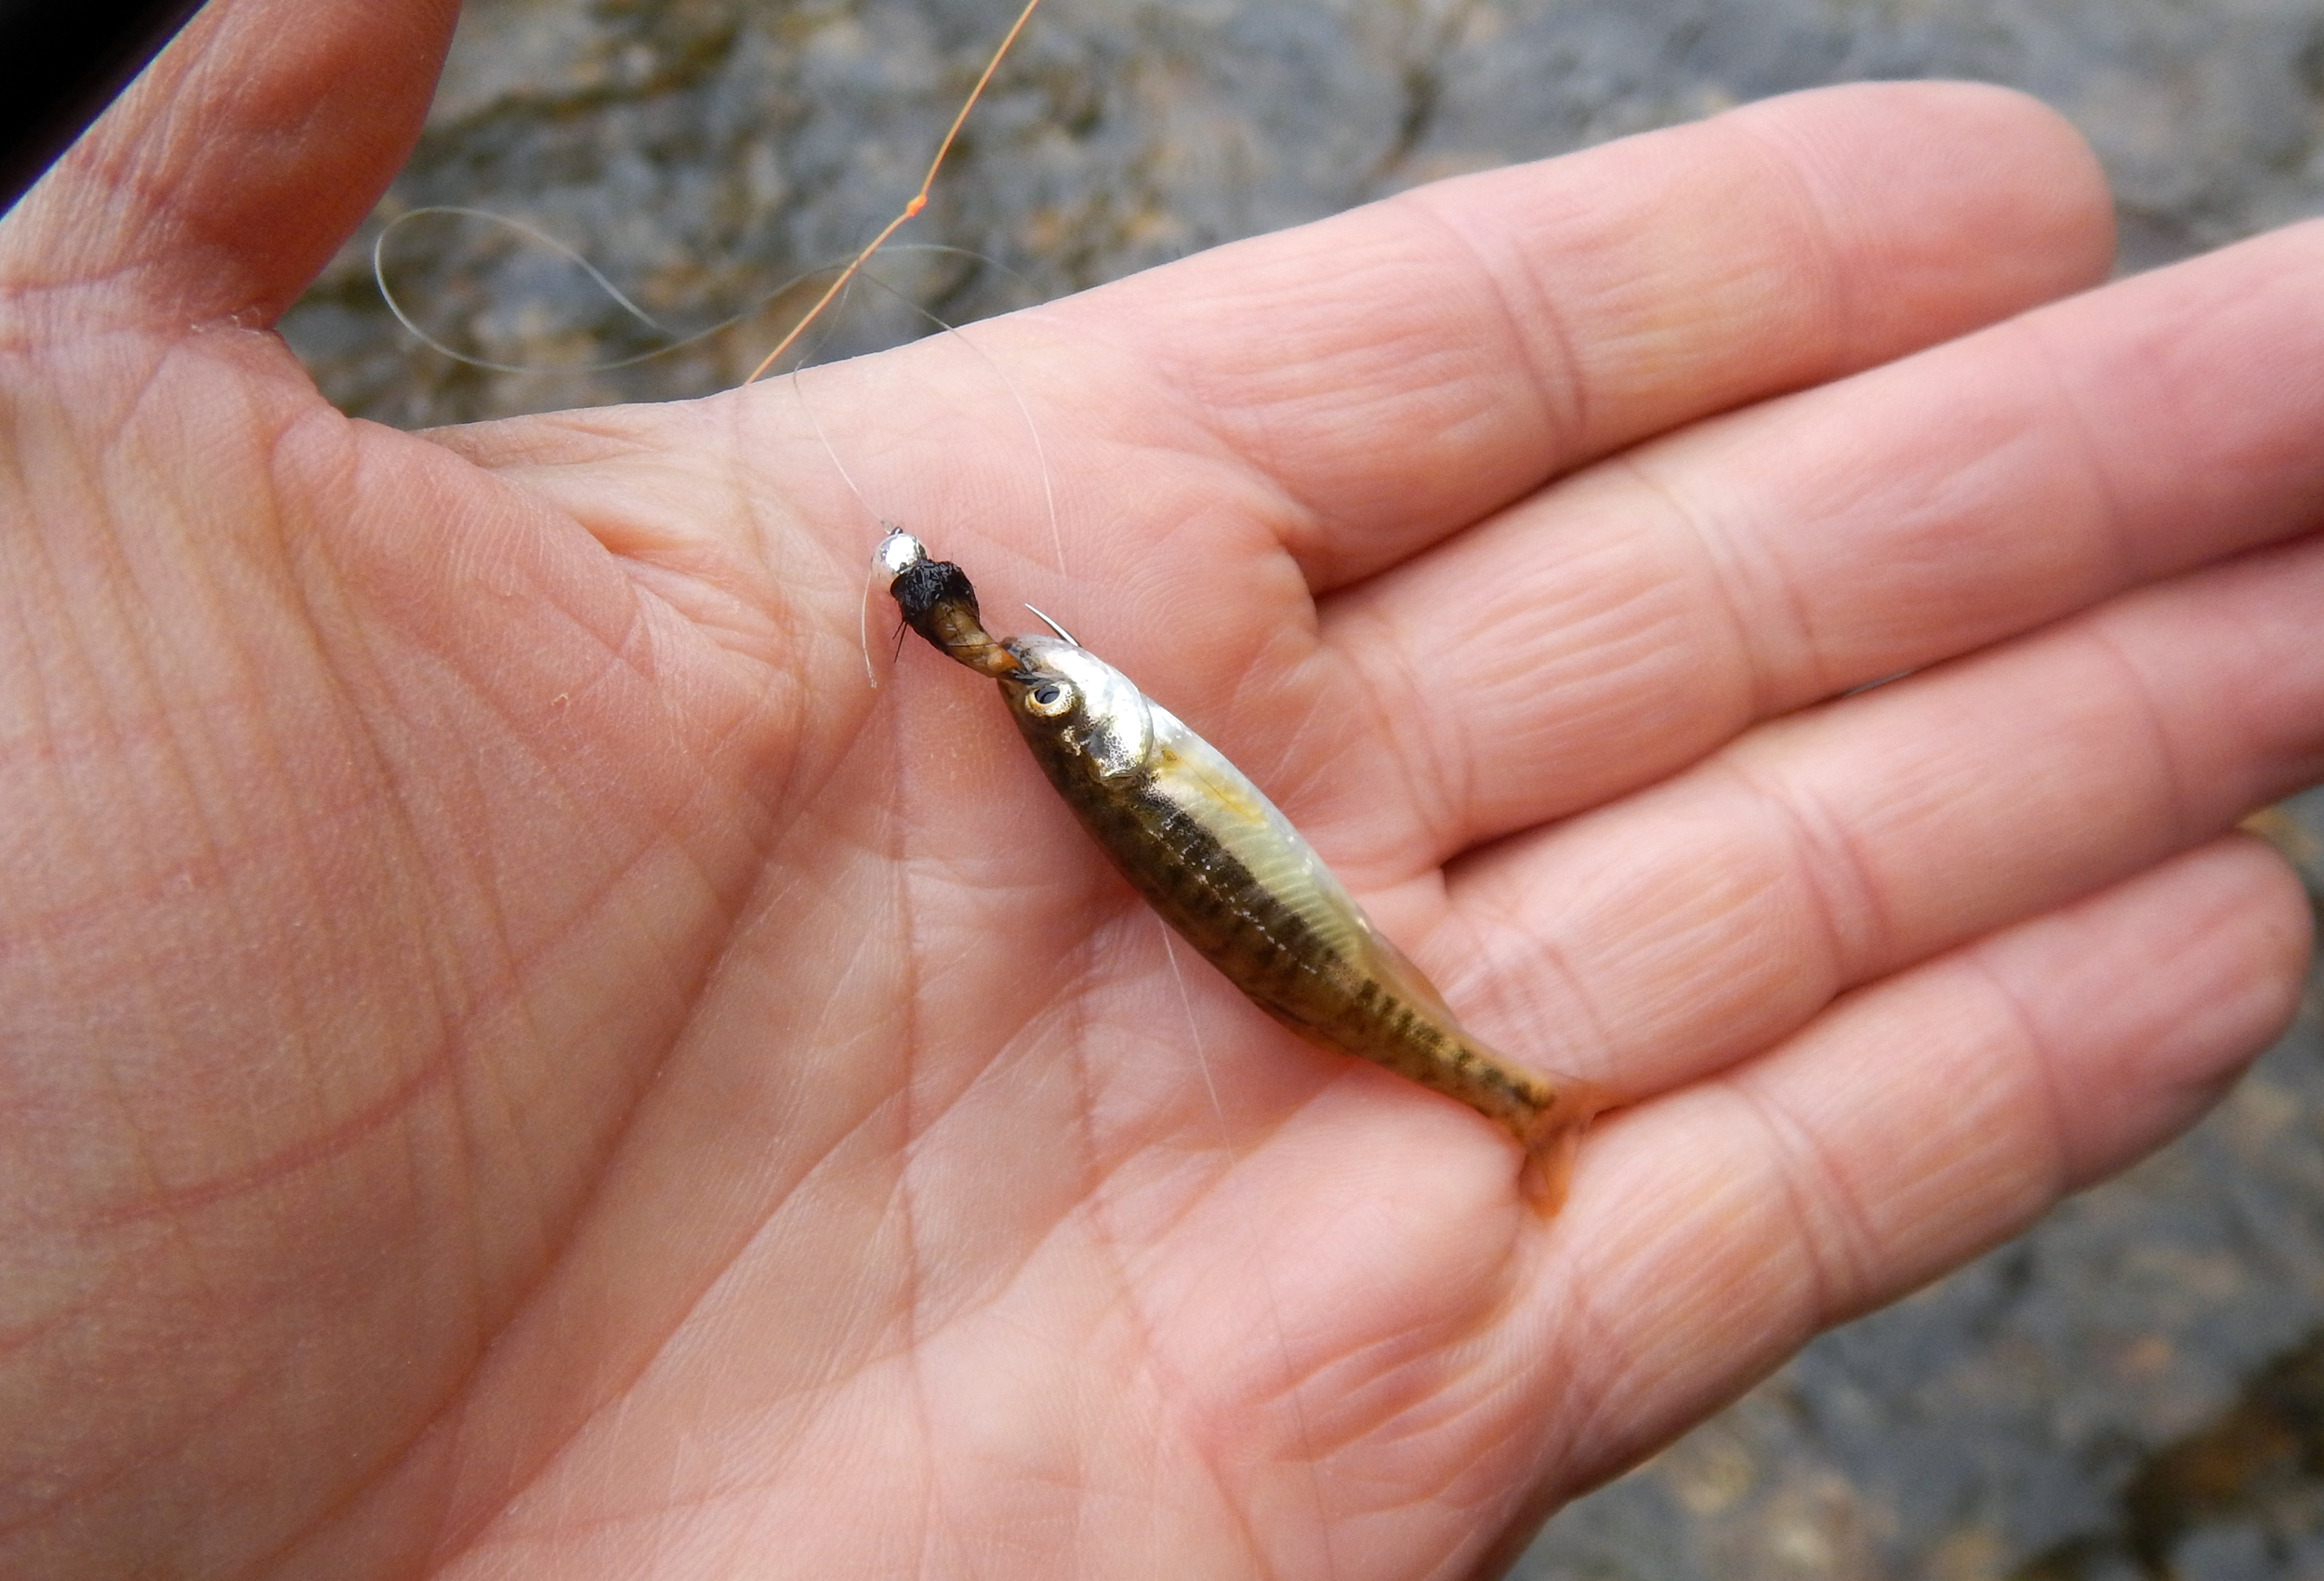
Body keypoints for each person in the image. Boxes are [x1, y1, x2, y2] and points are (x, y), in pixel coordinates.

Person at [4, 1, 2317, 1575]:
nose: (1067, 697)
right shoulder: (1065, 719)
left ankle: (1516, 1094)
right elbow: (1108, 739)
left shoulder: (1044, 705)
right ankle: (1509, 1098)